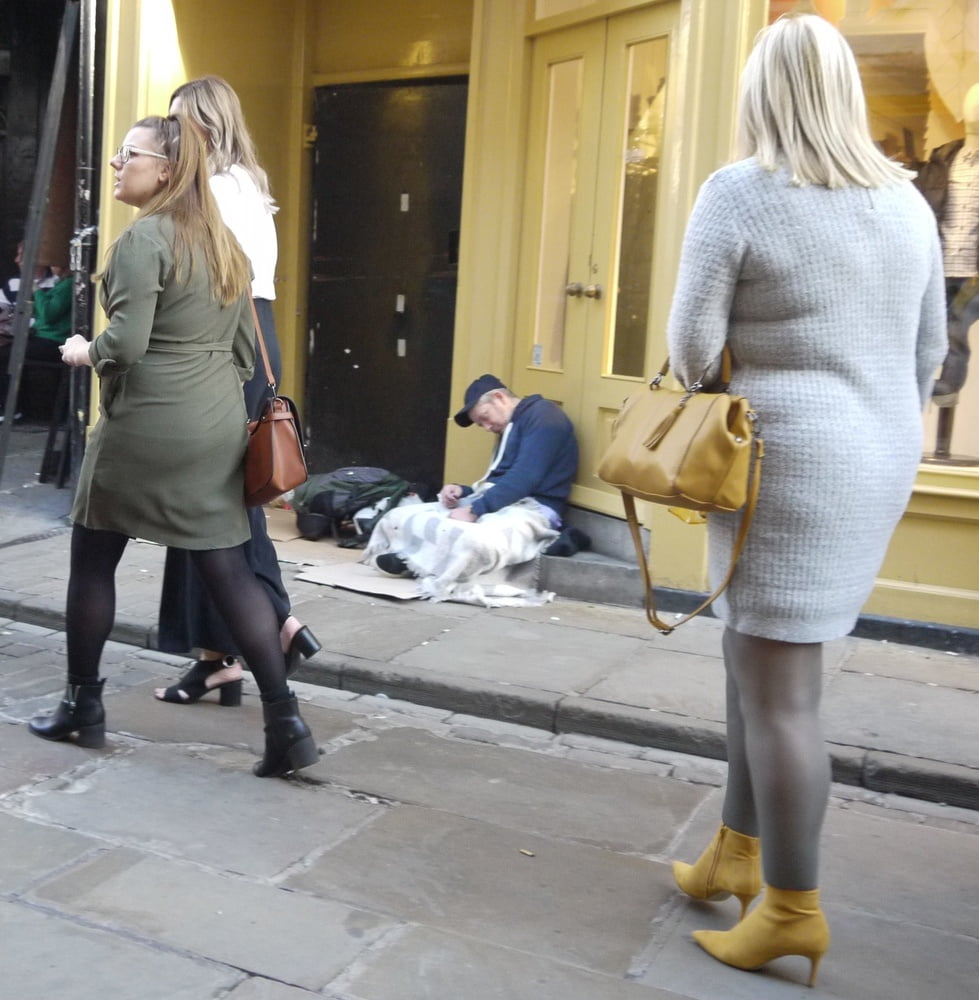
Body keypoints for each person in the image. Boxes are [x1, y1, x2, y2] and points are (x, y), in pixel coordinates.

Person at [665, 14, 946, 987]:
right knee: (764, 664)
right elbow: (929, 355)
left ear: (760, 91)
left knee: (779, 697)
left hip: (777, 459)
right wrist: (873, 424)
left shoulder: (740, 191)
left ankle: (790, 908)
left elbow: (692, 351)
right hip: (872, 455)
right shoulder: (906, 205)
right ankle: (736, 852)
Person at [28, 114, 319, 778]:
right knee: (229, 572)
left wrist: (82, 350)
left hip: (146, 428)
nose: (115, 163)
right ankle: (286, 724)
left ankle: (83, 706)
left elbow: (126, 344)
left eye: (128, 154)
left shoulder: (143, 241)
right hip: (213, 426)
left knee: (93, 560)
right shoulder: (224, 244)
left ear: (165, 169)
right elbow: (248, 351)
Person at [153, 76, 320, 708]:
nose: (170, 136)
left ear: (207, 124)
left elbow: (196, 278)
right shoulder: (247, 185)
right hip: (250, 336)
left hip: (225, 342)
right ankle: (216, 659)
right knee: (209, 500)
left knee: (211, 505)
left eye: (179, 122)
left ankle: (275, 621)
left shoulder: (216, 191)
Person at [363, 374, 578, 602]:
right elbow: (499, 480)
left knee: (474, 540)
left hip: (534, 508)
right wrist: (462, 492)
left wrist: (475, 509)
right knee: (398, 516)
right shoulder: (509, 425)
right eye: (480, 424)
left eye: (484, 418)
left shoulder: (545, 417)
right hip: (499, 499)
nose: (486, 428)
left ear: (499, 398)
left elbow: (525, 478)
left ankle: (419, 563)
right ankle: (414, 560)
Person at [915, 81, 979, 405]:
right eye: (972, 100)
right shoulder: (943, 158)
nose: (974, 108)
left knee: (956, 325)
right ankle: (922, 388)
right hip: (939, 264)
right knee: (927, 325)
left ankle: (949, 389)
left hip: (974, 273)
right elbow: (923, 205)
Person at [0, 243, 66, 424]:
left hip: (48, 339)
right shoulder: (12, 282)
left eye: (22, 255)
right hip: (22, 334)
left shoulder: (59, 284)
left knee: (7, 354)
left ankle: (10, 409)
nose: (17, 260)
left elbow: (46, 316)